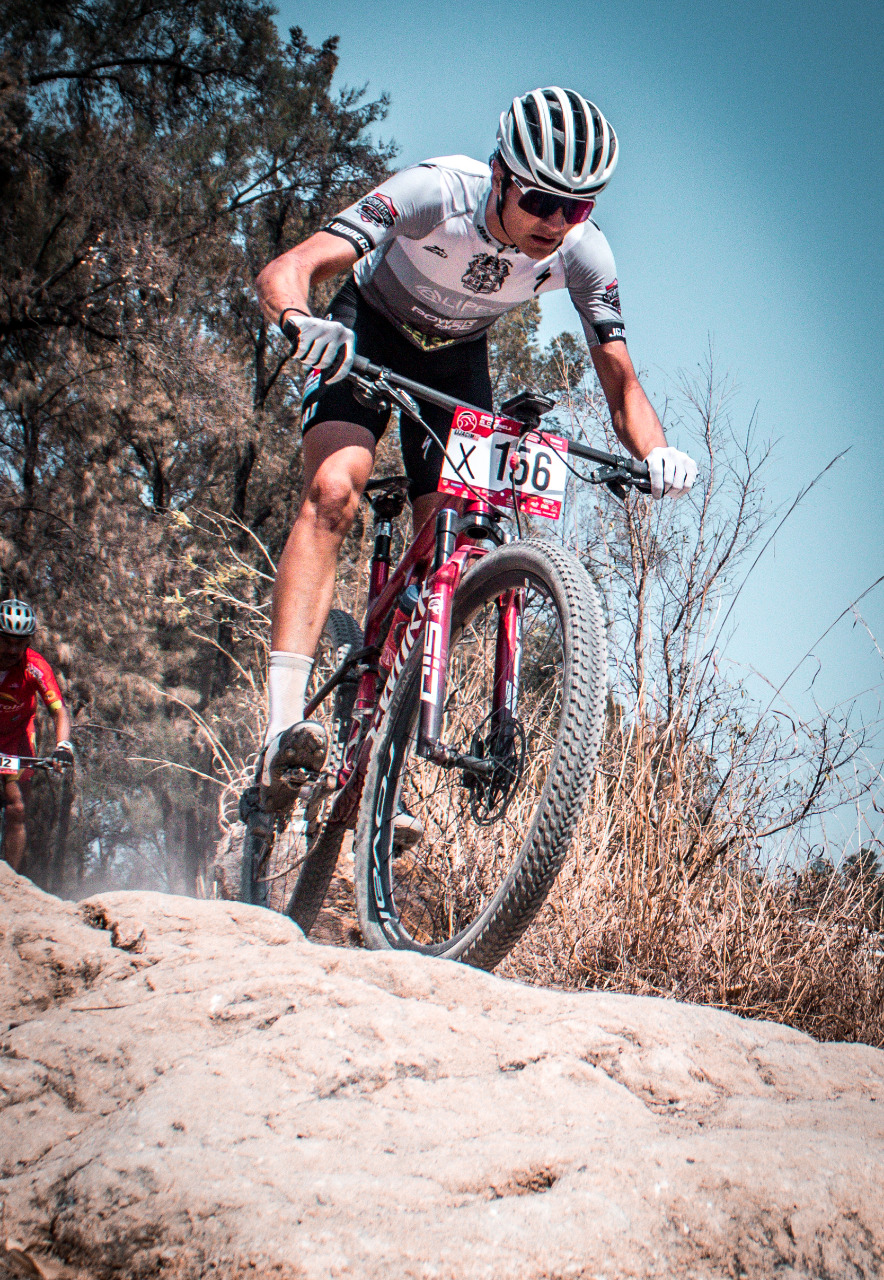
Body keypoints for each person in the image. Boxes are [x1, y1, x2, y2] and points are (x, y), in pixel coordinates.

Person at [255, 86, 698, 810]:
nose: (557, 222)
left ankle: (381, 729)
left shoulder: (584, 255)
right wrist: (304, 322)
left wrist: (657, 451)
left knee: (449, 553)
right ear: (499, 175)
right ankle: (281, 728)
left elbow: (621, 384)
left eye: (578, 207)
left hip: (456, 357)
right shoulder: (433, 192)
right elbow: (287, 269)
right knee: (337, 489)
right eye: (541, 200)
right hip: (368, 328)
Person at [0, 599, 73, 871]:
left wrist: (63, 746)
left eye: (21, 642)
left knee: (17, 808)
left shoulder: (34, 665)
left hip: (16, 738)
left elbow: (59, 711)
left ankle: (9, 883)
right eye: (7, 641)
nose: (13, 649)